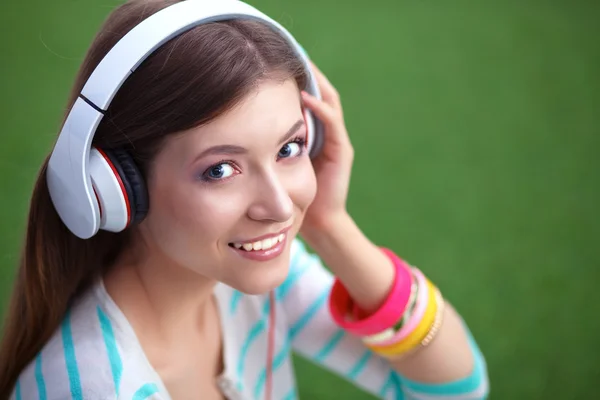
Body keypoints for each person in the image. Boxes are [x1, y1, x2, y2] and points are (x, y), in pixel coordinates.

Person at [0, 0, 489, 399]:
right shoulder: (88, 387)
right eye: (220, 170)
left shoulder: (257, 279)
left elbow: (454, 389)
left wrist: (330, 225)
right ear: (116, 190)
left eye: (289, 148)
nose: (278, 206)